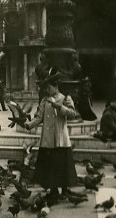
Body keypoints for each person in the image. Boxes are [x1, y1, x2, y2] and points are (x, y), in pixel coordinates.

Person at [22, 70, 79, 202]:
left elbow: (72, 114)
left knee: (63, 165)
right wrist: (28, 125)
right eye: (46, 88)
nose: (47, 90)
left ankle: (64, 191)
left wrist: (60, 108)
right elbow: (39, 118)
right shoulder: (44, 101)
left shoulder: (65, 98)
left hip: (61, 139)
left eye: (49, 87)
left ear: (55, 86)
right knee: (50, 167)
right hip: (48, 140)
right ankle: (53, 191)